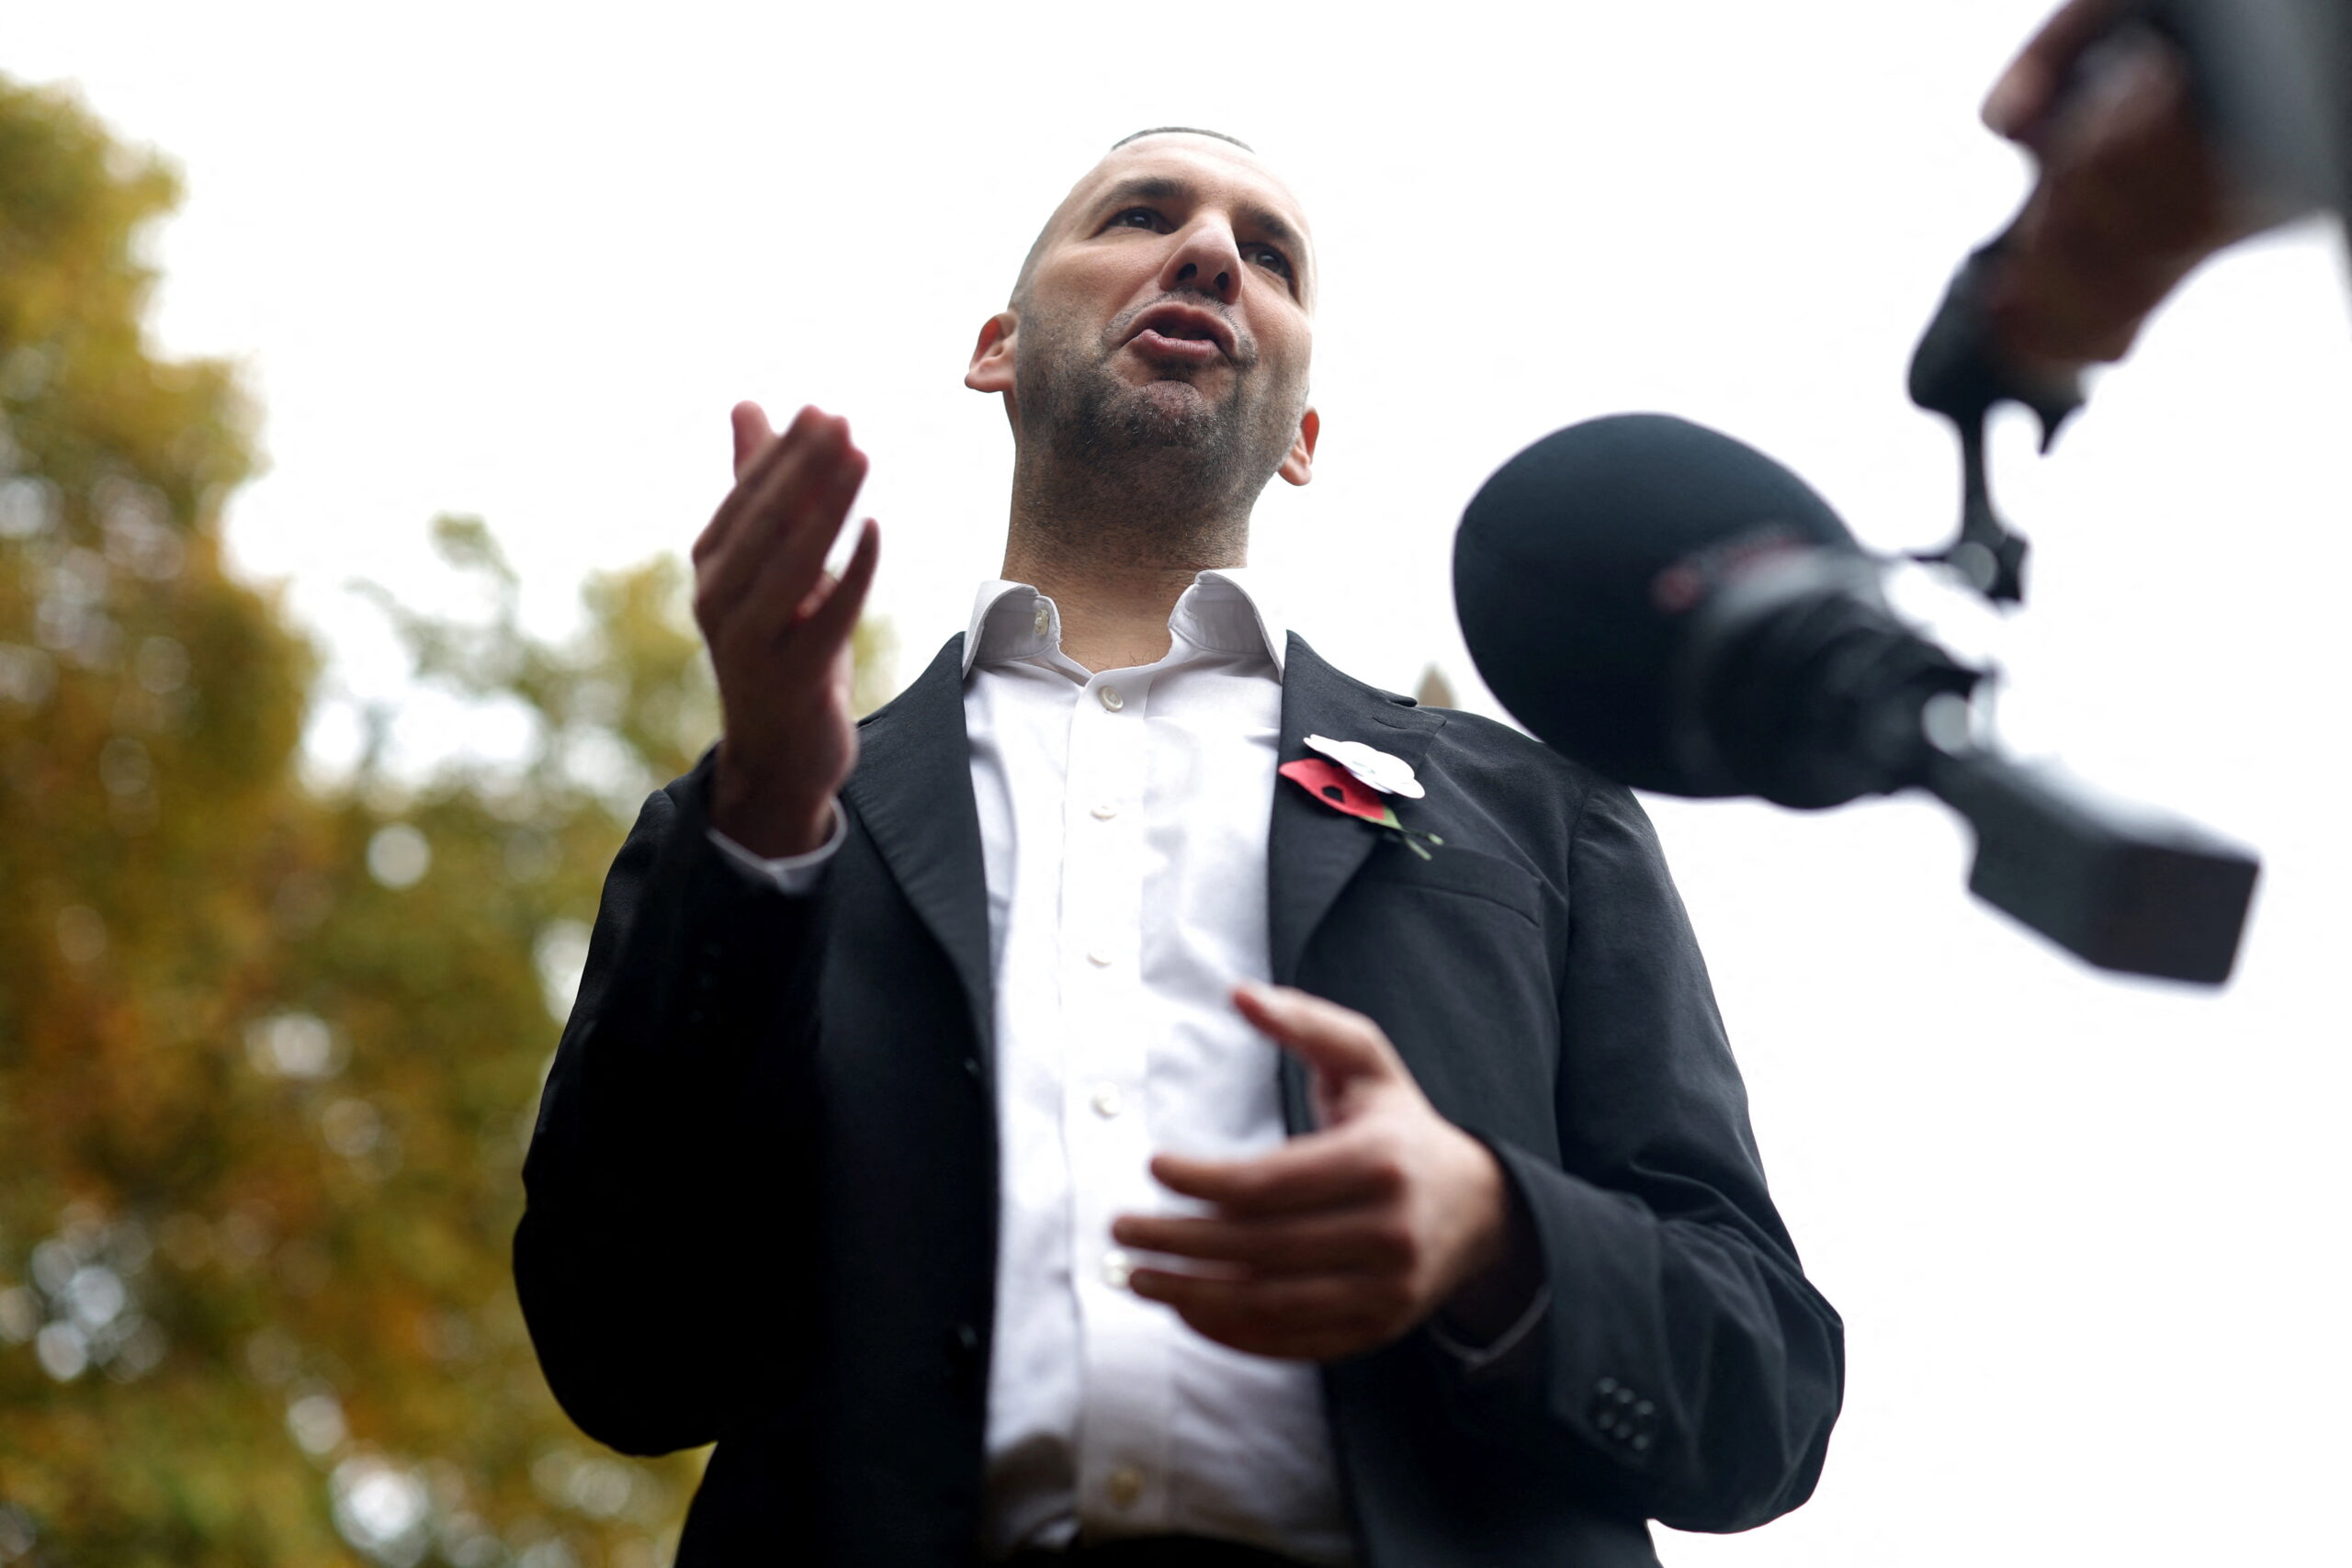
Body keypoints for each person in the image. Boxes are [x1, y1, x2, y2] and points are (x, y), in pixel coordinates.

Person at [513, 128, 1843, 1567]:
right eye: (1142, 214)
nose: (1209, 251)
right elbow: (623, 1358)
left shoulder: (1536, 816)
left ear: (1307, 439)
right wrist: (766, 814)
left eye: (1267, 254)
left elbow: (1762, 1392)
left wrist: (1491, 1229)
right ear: (996, 352)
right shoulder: (759, 831)